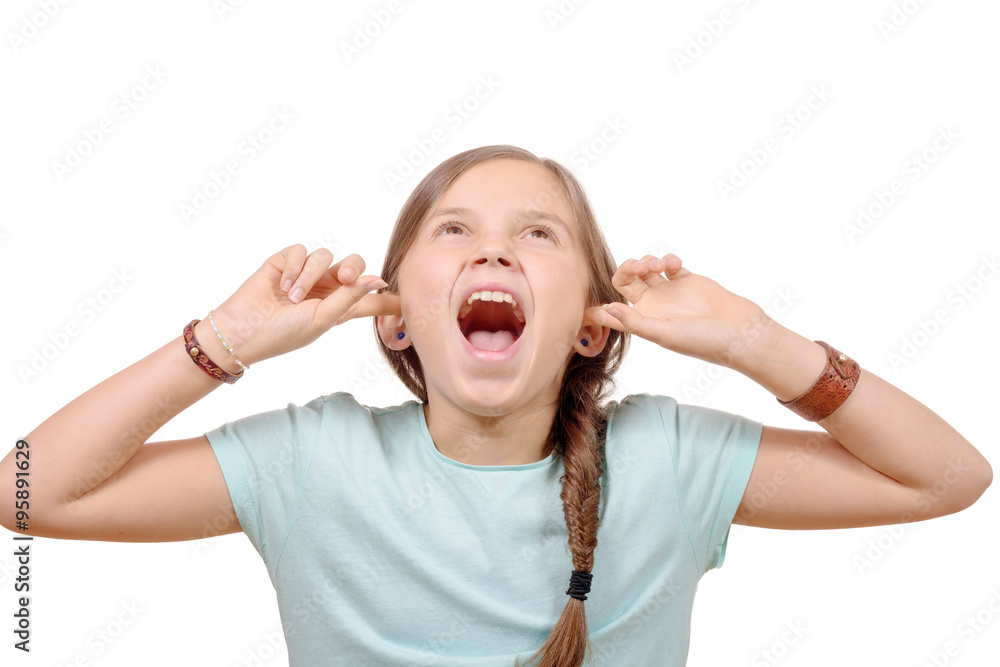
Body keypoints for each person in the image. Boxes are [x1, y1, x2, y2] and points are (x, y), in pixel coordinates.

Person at [1, 145, 991, 666]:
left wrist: (757, 342)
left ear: (591, 325)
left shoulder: (669, 458)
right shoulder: (312, 458)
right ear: (395, 317)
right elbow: (28, 489)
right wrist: (221, 342)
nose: (493, 249)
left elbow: (948, 477)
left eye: (538, 234)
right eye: (453, 230)